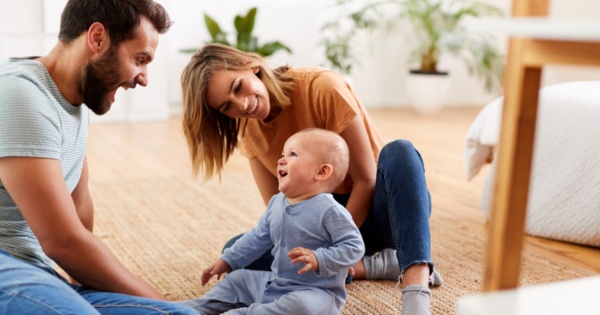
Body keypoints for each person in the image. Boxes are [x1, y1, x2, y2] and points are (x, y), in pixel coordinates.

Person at [181, 43, 444, 315]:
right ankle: (371, 265)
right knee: (236, 251)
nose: (243, 105)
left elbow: (366, 180)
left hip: (384, 210)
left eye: (238, 87)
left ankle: (415, 283)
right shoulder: (249, 131)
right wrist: (322, 257)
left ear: (253, 68)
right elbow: (278, 212)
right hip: (322, 234)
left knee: (401, 151)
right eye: (228, 107)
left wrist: (329, 252)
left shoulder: (322, 87)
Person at [0, 1, 197, 314]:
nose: (143, 78)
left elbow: (79, 211)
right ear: (97, 39)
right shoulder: (20, 94)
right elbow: (63, 241)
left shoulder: (73, 105)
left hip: (38, 273)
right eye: (140, 59)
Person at [184, 128, 365, 314]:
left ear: (322, 171)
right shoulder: (276, 202)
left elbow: (354, 246)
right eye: (282, 154)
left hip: (316, 292)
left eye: (293, 154)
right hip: (275, 282)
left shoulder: (329, 209)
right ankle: (195, 308)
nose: (281, 160)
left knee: (301, 307)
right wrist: (228, 260)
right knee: (237, 279)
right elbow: (257, 237)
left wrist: (320, 258)